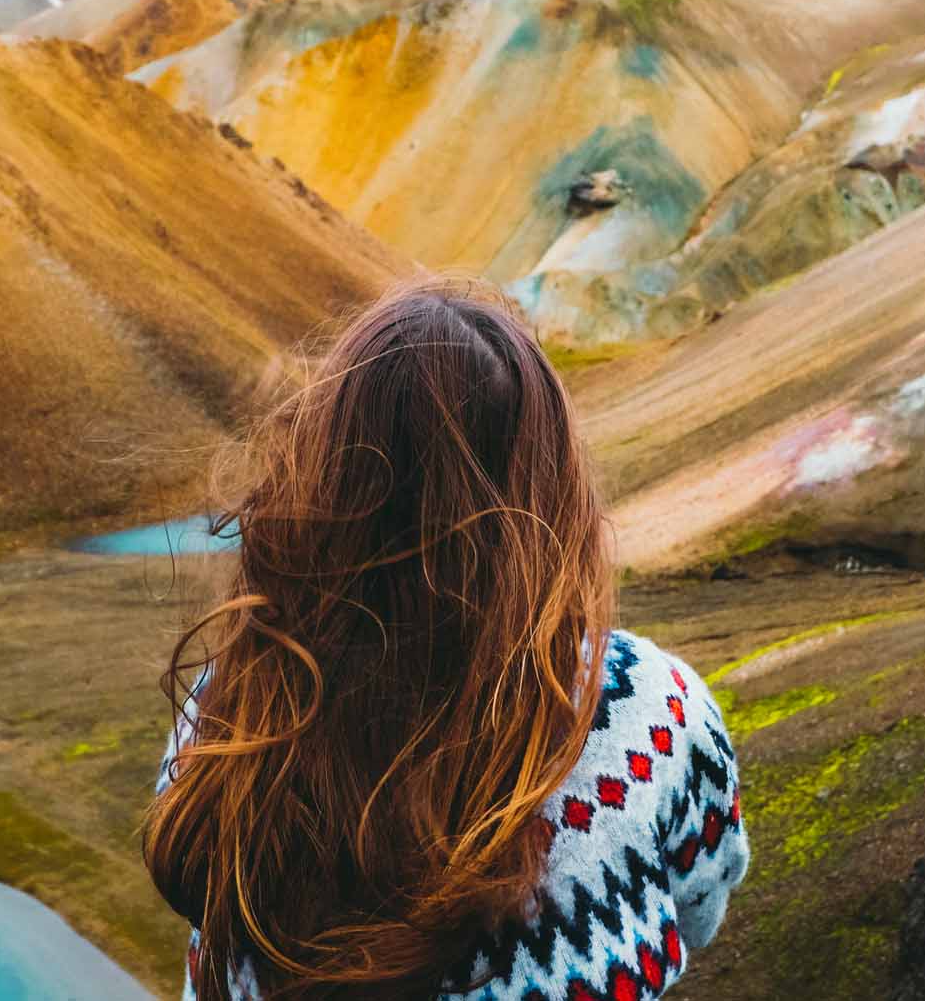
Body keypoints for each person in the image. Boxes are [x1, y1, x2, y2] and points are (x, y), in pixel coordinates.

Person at [143, 278, 748, 1000]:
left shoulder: (233, 703)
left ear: (323, 473)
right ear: (548, 482)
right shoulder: (649, 706)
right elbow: (701, 899)